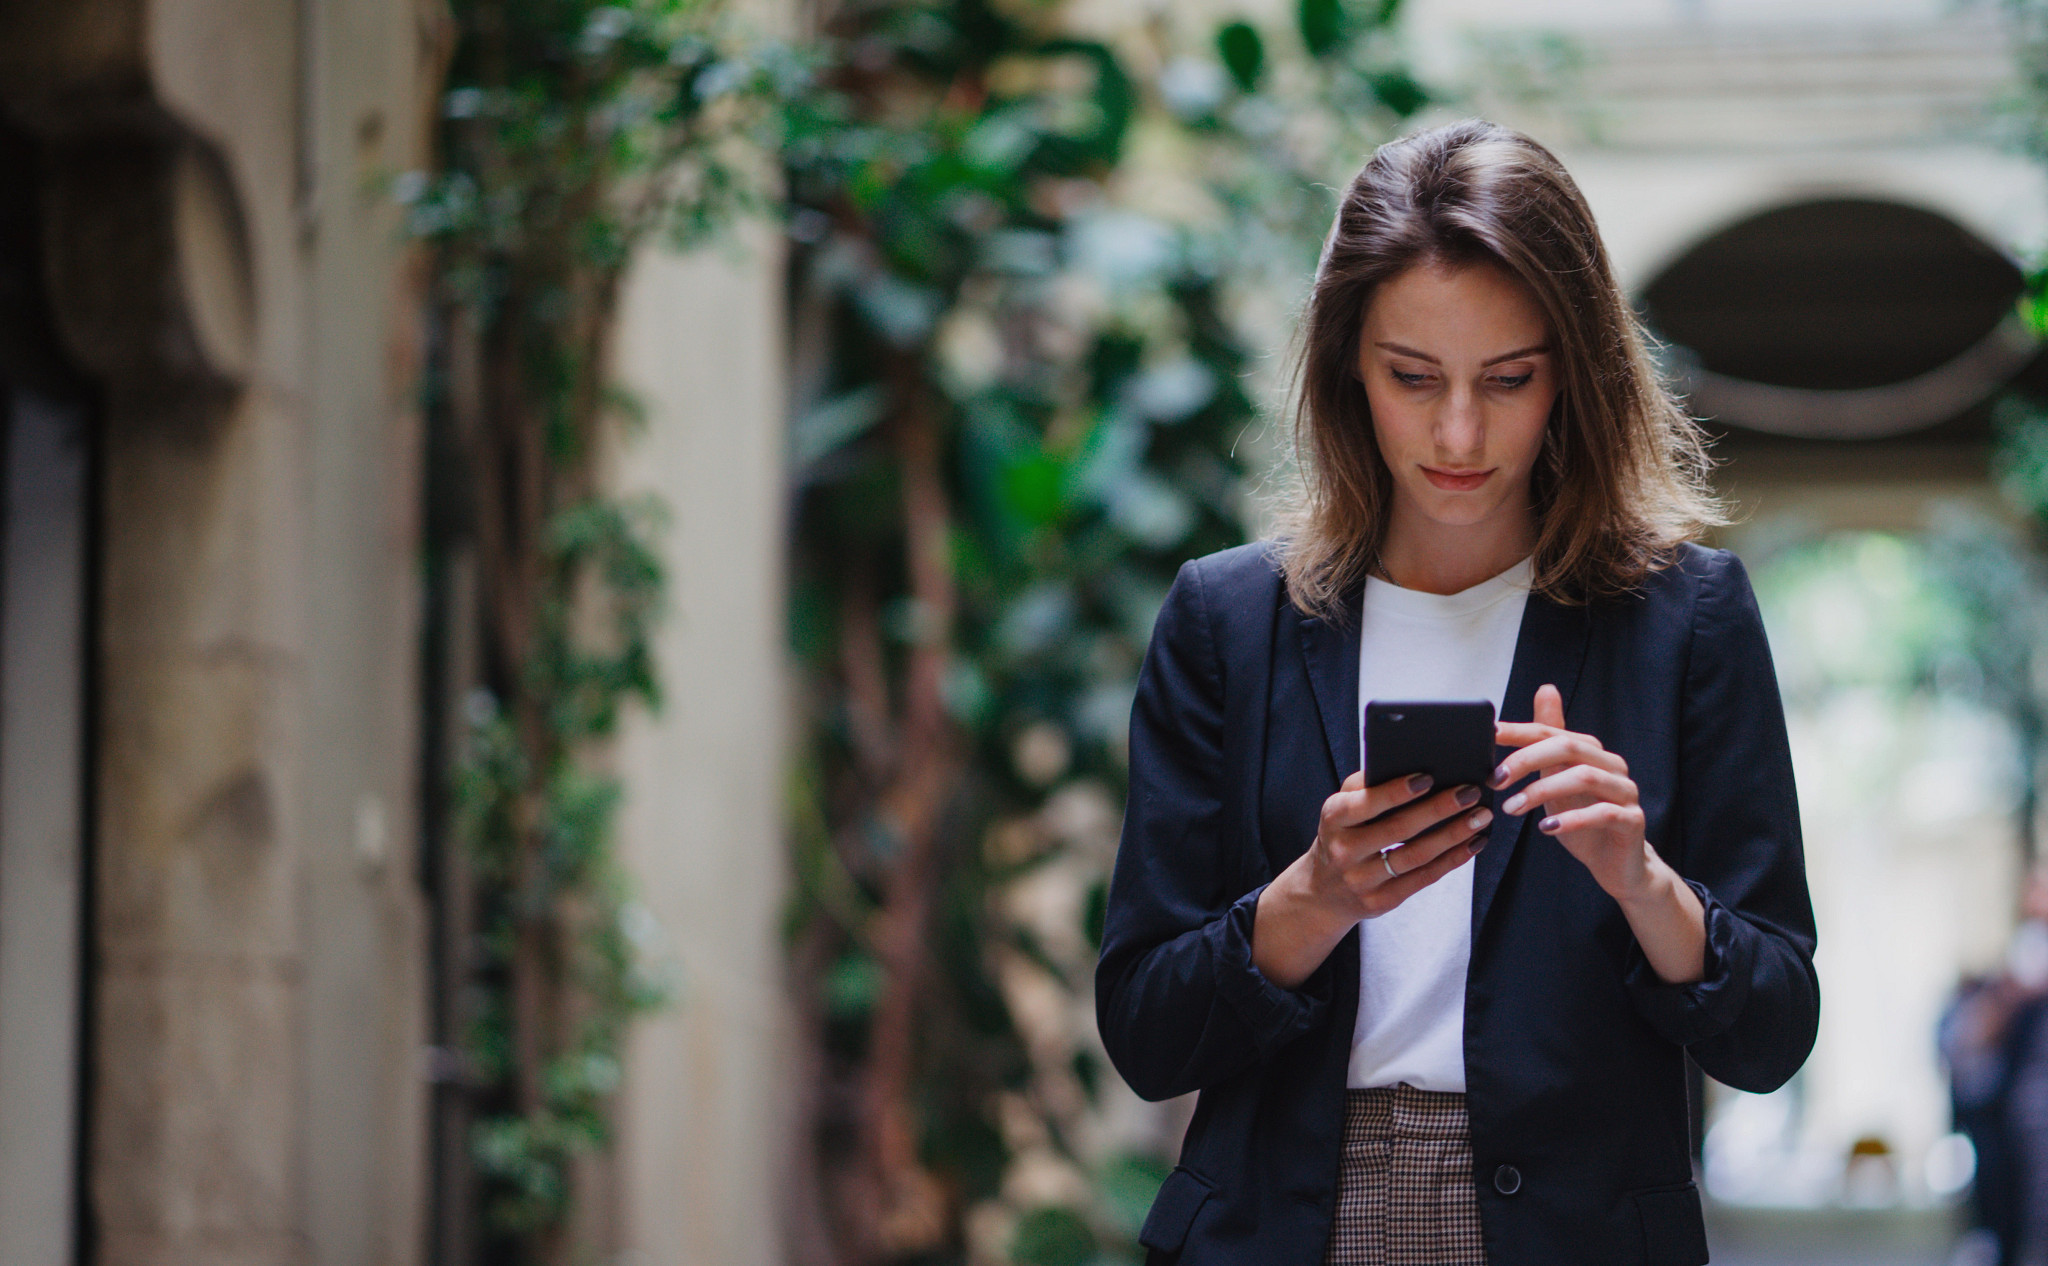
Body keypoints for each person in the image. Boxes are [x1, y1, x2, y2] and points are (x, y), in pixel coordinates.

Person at [1093, 119, 1820, 1266]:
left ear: (1572, 376)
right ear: (1346, 367)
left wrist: (1642, 884)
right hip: (1287, 1223)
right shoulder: (1229, 622)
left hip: (1575, 1230)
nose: (1458, 434)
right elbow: (1144, 1031)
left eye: (1509, 379)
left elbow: (1773, 1031)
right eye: (1411, 377)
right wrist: (1312, 897)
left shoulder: (1685, 621)